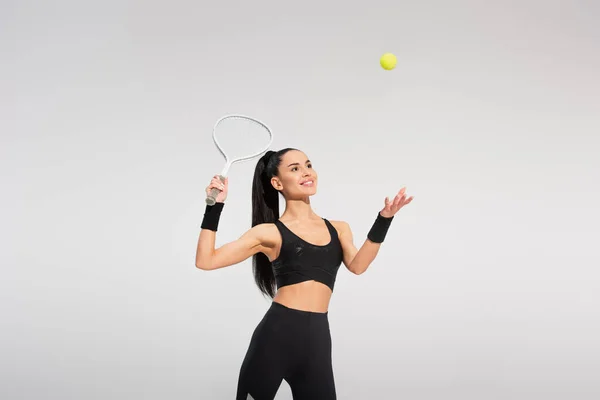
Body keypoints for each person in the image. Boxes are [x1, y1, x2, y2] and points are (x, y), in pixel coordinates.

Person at [195, 148, 413, 400]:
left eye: (308, 165)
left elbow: (358, 265)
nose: (306, 172)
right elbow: (206, 260)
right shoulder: (268, 233)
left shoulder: (339, 229)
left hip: (318, 340)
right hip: (275, 337)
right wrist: (214, 207)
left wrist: (384, 219)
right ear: (277, 183)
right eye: (295, 168)